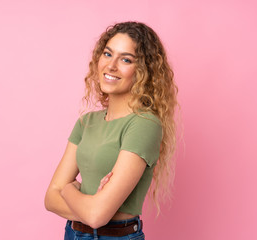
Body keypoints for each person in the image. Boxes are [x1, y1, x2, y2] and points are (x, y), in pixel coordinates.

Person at [45, 21, 178, 239]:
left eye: (126, 59)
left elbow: (97, 216)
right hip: (73, 234)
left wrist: (69, 189)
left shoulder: (144, 125)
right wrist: (90, 208)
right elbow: (50, 198)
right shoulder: (86, 122)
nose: (111, 65)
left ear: (144, 71)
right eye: (108, 54)